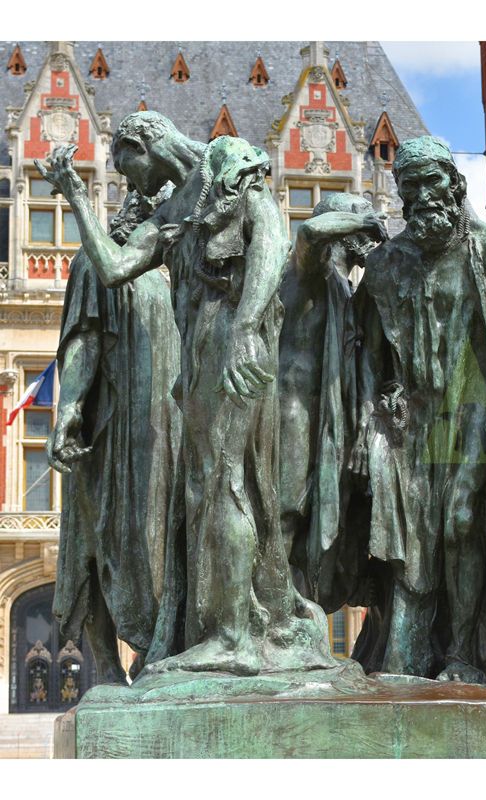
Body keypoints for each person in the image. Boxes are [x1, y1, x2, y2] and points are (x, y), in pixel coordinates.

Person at [37, 112, 335, 676]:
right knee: (205, 489)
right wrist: (76, 195)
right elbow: (114, 265)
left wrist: (248, 328)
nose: (132, 185)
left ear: (144, 143)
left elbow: (272, 235)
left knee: (225, 482)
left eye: (128, 168)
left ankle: (233, 638)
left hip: (231, 341)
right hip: (198, 353)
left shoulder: (228, 159)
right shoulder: (173, 212)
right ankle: (232, 623)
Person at [350, 136, 486, 683]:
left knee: (460, 524)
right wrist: (368, 416)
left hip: (473, 414)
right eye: (410, 186)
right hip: (409, 420)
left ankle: (462, 654)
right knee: (411, 549)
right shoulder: (386, 264)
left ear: (454, 187)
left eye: (433, 182)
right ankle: (406, 658)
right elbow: (364, 349)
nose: (423, 195)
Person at [48, 188, 181, 683]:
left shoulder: (176, 276)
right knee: (101, 537)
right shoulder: (96, 262)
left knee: (162, 541)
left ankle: (159, 654)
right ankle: (105, 666)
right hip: (114, 430)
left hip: (169, 428)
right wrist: (70, 410)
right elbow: (83, 339)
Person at [279, 193, 386, 611]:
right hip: (293, 411)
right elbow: (308, 232)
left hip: (331, 420)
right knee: (287, 509)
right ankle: (274, 607)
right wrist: (360, 221)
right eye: (360, 228)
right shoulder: (309, 270)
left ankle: (299, 605)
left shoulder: (346, 286)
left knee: (320, 524)